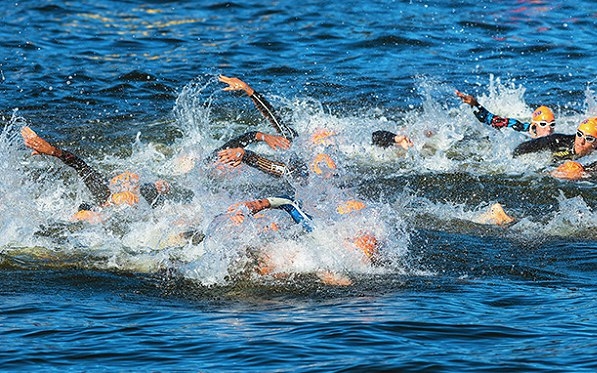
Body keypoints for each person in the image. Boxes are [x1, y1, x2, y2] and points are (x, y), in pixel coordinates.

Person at [21, 126, 194, 224]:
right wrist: (53, 151)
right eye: (121, 182)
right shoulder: (104, 199)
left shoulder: (147, 196)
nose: (127, 182)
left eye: (131, 181)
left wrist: (161, 186)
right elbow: (80, 165)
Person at [227, 196, 382, 285]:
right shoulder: (325, 236)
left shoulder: (361, 264)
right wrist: (253, 205)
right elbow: (289, 204)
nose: (369, 238)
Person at [214, 75, 307, 178]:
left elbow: (287, 172)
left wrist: (245, 155)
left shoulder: (314, 172)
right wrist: (247, 89)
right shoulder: (298, 144)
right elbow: (274, 118)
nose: (322, 132)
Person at [455, 90, 555, 138]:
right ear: (534, 125)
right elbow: (490, 119)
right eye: (543, 124)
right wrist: (475, 104)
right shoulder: (517, 127)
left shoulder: (556, 140)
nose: (549, 128)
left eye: (552, 124)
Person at [513, 116, 597, 162]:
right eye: (579, 134)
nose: (581, 141)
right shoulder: (557, 141)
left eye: (589, 138)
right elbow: (521, 149)